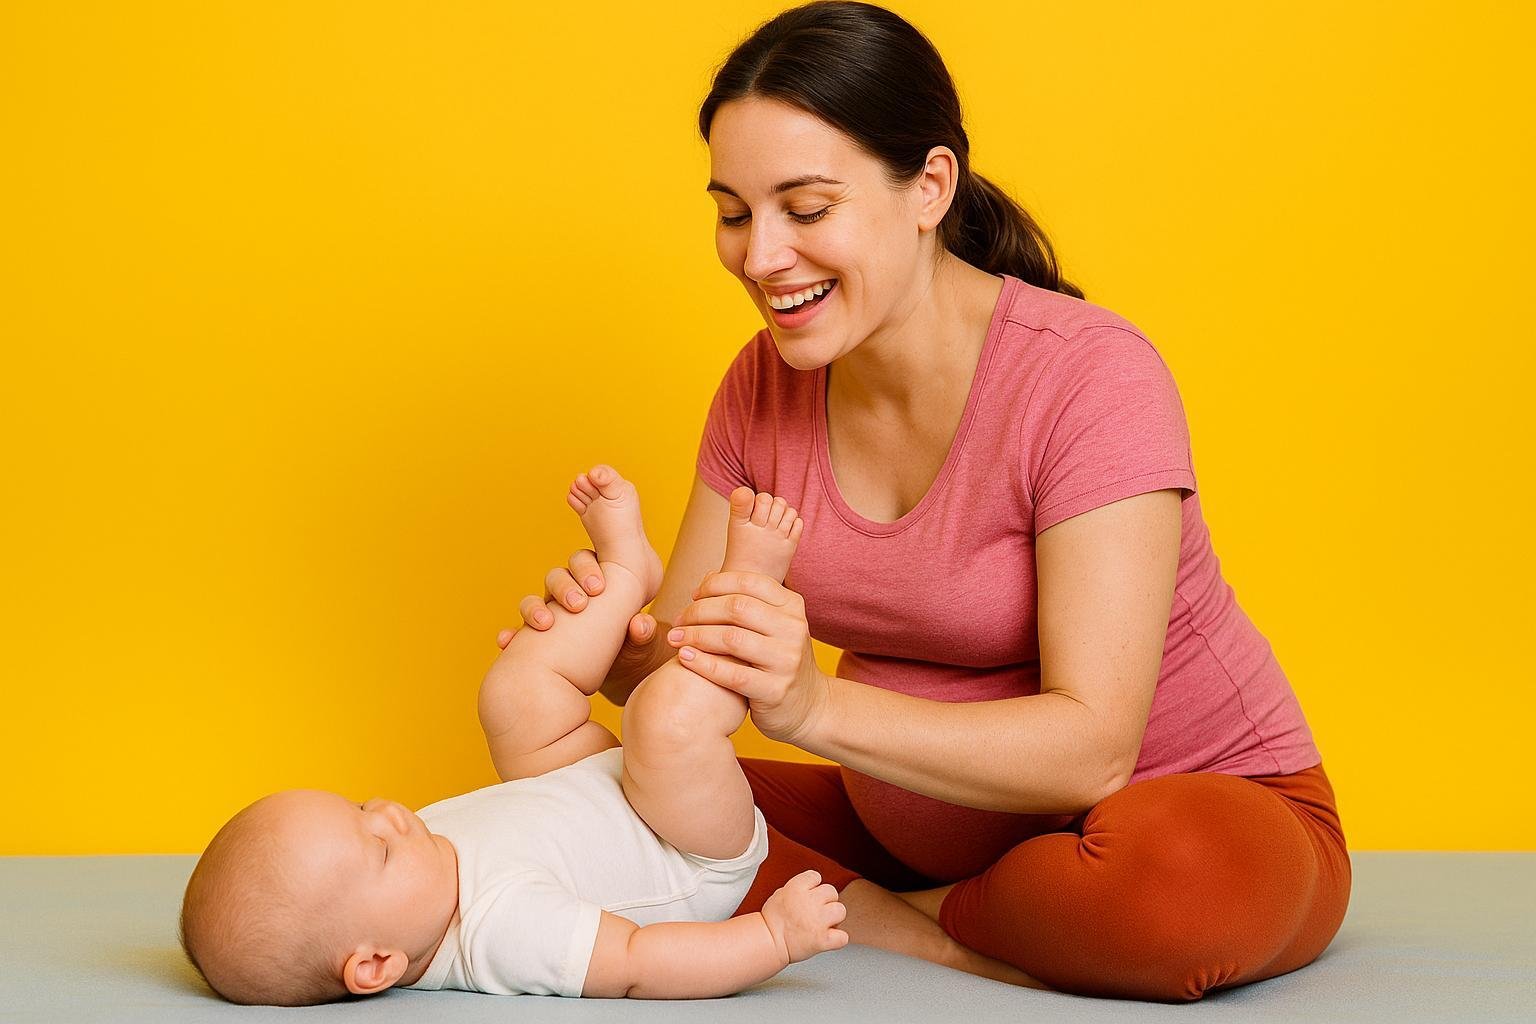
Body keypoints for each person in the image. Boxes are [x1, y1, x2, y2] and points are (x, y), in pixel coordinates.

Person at [503, 1, 1351, 1003]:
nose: (760, 256)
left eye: (806, 210)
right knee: (593, 805)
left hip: (1186, 813)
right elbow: (677, 682)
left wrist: (812, 704)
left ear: (930, 187)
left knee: (1163, 890)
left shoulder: (1089, 379)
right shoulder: (760, 387)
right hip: (898, 825)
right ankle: (966, 927)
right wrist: (611, 641)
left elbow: (1094, 749)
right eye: (733, 213)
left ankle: (895, 917)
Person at [178, 464, 858, 1006]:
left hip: (596, 789)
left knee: (512, 699)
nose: (387, 812)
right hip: (684, 844)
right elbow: (636, 966)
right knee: (662, 720)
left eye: (359, 808)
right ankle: (750, 589)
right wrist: (771, 936)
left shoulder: (419, 867)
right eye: (377, 848)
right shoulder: (503, 933)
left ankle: (626, 572)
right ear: (377, 963)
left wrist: (383, 847)